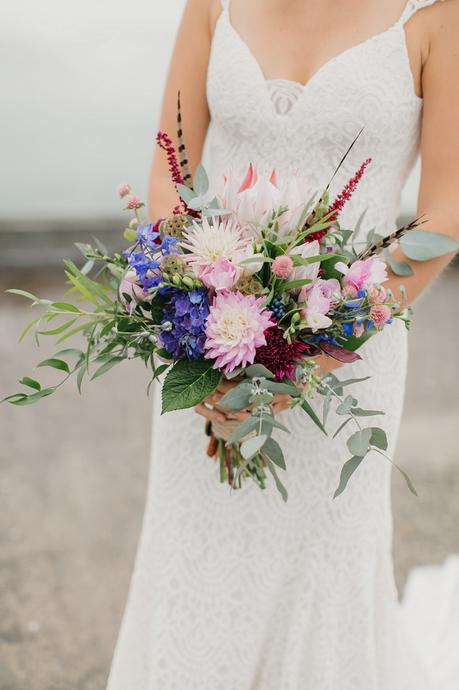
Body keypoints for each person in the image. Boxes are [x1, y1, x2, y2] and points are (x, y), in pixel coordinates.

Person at [106, 1, 459, 688]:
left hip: (348, 356)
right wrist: (200, 326)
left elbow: (444, 216)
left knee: (318, 571)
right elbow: (171, 172)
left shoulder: (436, 13)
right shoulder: (213, 4)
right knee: (196, 561)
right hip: (209, 350)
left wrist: (300, 365)